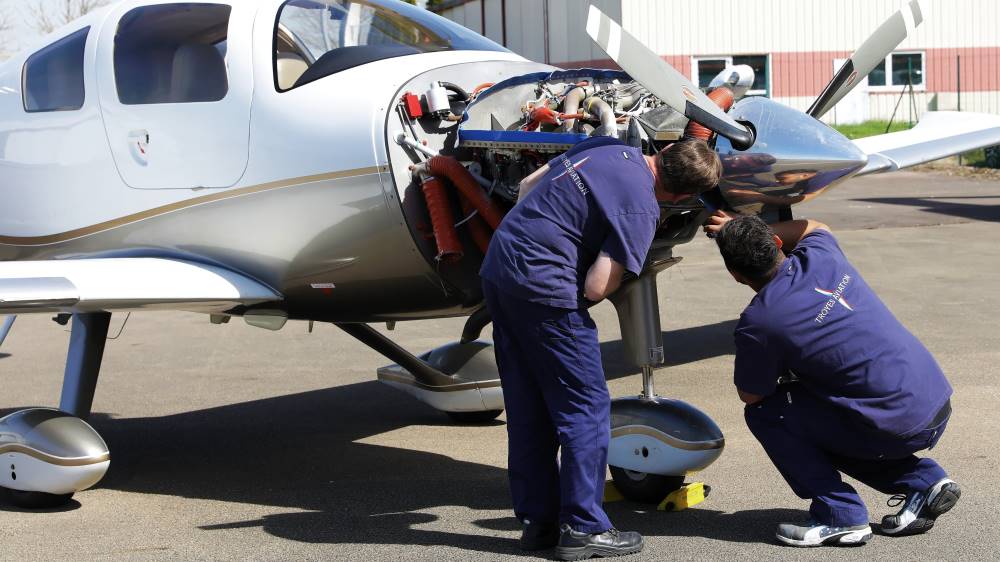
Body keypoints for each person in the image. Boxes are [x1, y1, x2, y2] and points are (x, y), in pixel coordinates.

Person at [480, 136, 722, 560]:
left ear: (663, 153)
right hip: (545, 290)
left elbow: (529, 185)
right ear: (683, 195)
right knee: (586, 412)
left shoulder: (609, 147)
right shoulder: (643, 209)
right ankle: (583, 528)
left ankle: (539, 524)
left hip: (500, 270)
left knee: (529, 408)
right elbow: (595, 286)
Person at [705, 212, 961, 547]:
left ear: (735, 275)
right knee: (825, 413)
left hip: (897, 424)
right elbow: (814, 226)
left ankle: (840, 516)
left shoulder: (761, 321)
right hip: (933, 399)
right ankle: (925, 482)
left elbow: (751, 394)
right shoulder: (819, 255)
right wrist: (743, 228)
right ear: (777, 243)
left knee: (773, 414)